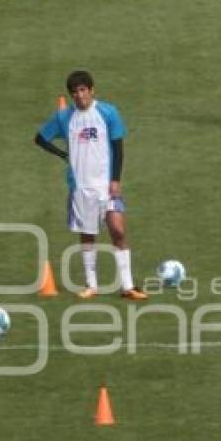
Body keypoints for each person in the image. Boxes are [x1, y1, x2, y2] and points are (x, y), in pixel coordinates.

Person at [35, 70, 148, 301]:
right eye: (74, 92)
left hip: (106, 185)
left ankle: (128, 286)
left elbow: (118, 148)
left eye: (83, 90)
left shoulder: (108, 113)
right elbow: (40, 138)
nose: (79, 96)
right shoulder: (64, 117)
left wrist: (115, 179)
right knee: (88, 235)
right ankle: (91, 285)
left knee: (118, 230)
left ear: (92, 90)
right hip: (81, 187)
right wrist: (63, 155)